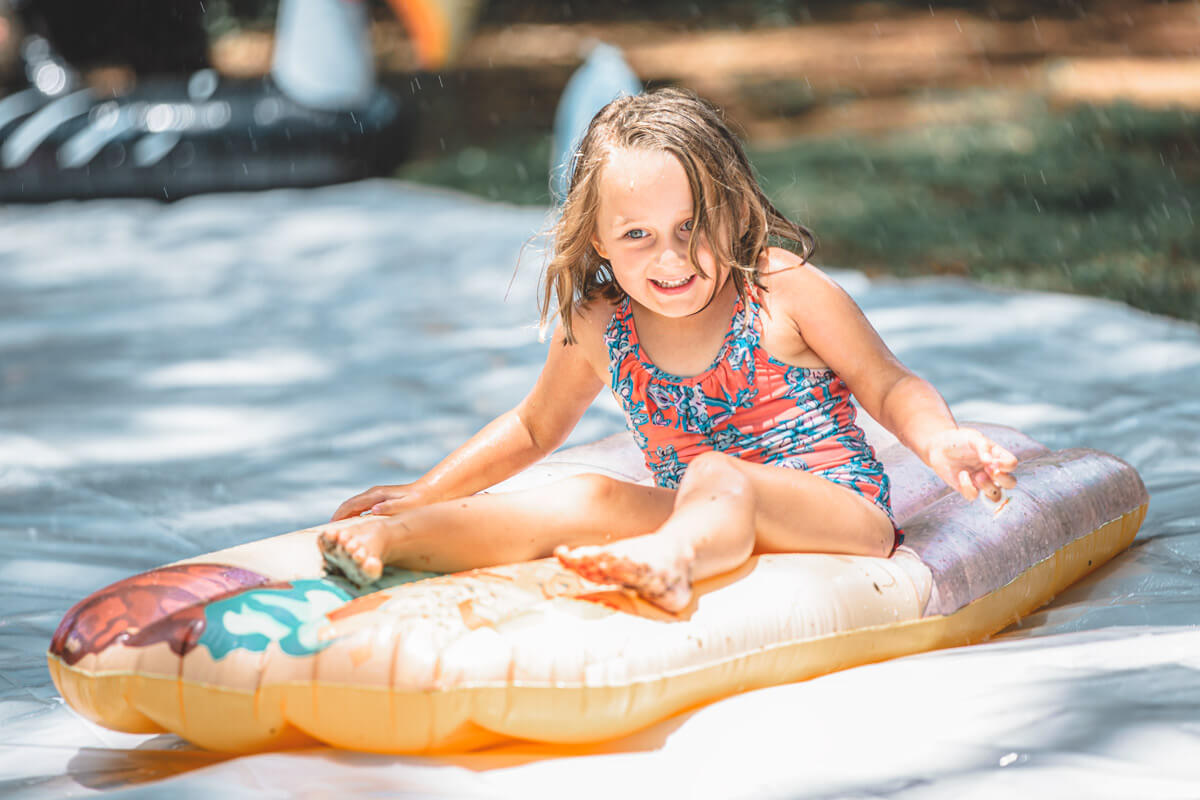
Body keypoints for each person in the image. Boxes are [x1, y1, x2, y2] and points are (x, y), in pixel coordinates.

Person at [319, 88, 1018, 612]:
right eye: (637, 236)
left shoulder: (779, 289)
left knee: (721, 472)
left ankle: (670, 563)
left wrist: (942, 441)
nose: (672, 258)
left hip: (835, 514)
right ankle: (405, 538)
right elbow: (533, 427)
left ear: (737, 211)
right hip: (694, 505)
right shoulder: (602, 323)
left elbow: (887, 382)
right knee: (584, 493)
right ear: (596, 240)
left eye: (693, 226)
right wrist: (422, 491)